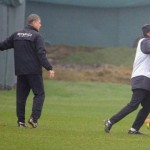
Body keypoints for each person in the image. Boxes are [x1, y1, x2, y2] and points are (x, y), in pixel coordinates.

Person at [0, 14, 55, 128]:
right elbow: (41, 53)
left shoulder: (17, 35)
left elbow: (3, 45)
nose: (40, 25)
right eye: (39, 22)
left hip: (20, 71)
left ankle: (21, 122)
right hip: (34, 71)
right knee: (39, 94)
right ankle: (34, 119)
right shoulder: (36, 36)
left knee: (21, 97)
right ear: (34, 22)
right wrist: (49, 67)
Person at [104, 24, 150, 134]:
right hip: (141, 78)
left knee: (148, 106)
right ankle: (110, 121)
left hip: (146, 79)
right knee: (133, 105)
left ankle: (134, 130)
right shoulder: (144, 41)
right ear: (148, 33)